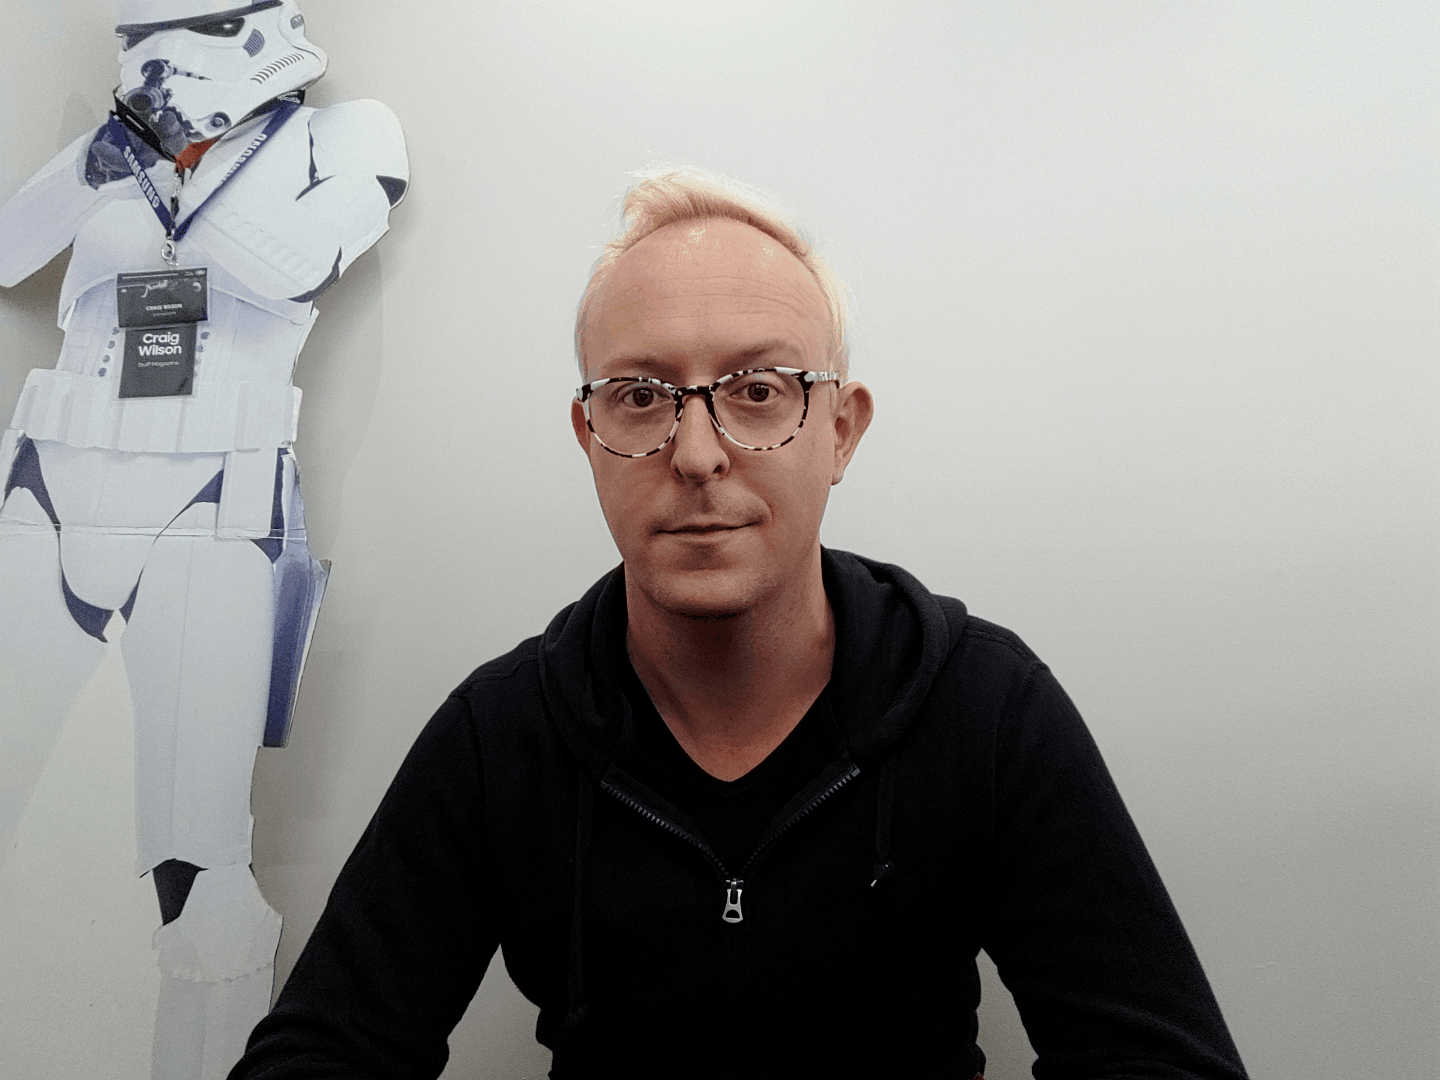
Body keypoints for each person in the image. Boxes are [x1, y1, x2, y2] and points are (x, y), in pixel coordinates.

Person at [231, 168, 1248, 1080]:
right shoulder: (504, 735)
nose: (697, 453)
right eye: (641, 396)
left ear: (840, 431)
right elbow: (324, 1050)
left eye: (759, 391)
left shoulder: (986, 708)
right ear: (590, 435)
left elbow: (1158, 1060)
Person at [0, 3, 406, 1077]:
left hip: (214, 501)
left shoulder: (345, 134)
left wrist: (178, 160)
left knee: (203, 869)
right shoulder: (122, 143)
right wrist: (104, 160)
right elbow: (6, 253)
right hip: (45, 485)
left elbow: (292, 267)